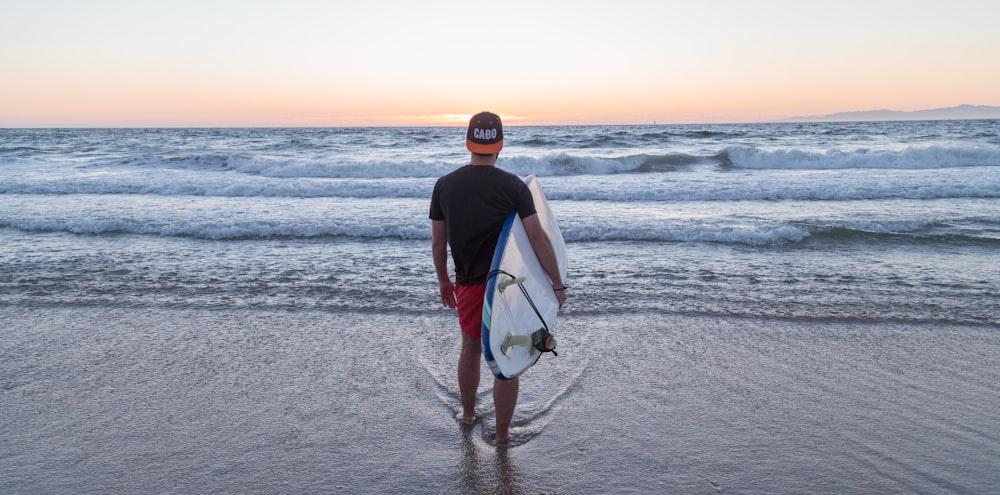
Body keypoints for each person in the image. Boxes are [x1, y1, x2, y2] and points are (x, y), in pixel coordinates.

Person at [430, 111, 567, 444]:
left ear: (468, 143)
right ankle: (503, 434)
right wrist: (556, 282)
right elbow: (537, 239)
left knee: (471, 349)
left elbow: (438, 241)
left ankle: (467, 413)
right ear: (500, 145)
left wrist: (444, 281)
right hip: (508, 288)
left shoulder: (445, 186)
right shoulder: (513, 186)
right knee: (506, 356)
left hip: (468, 285)